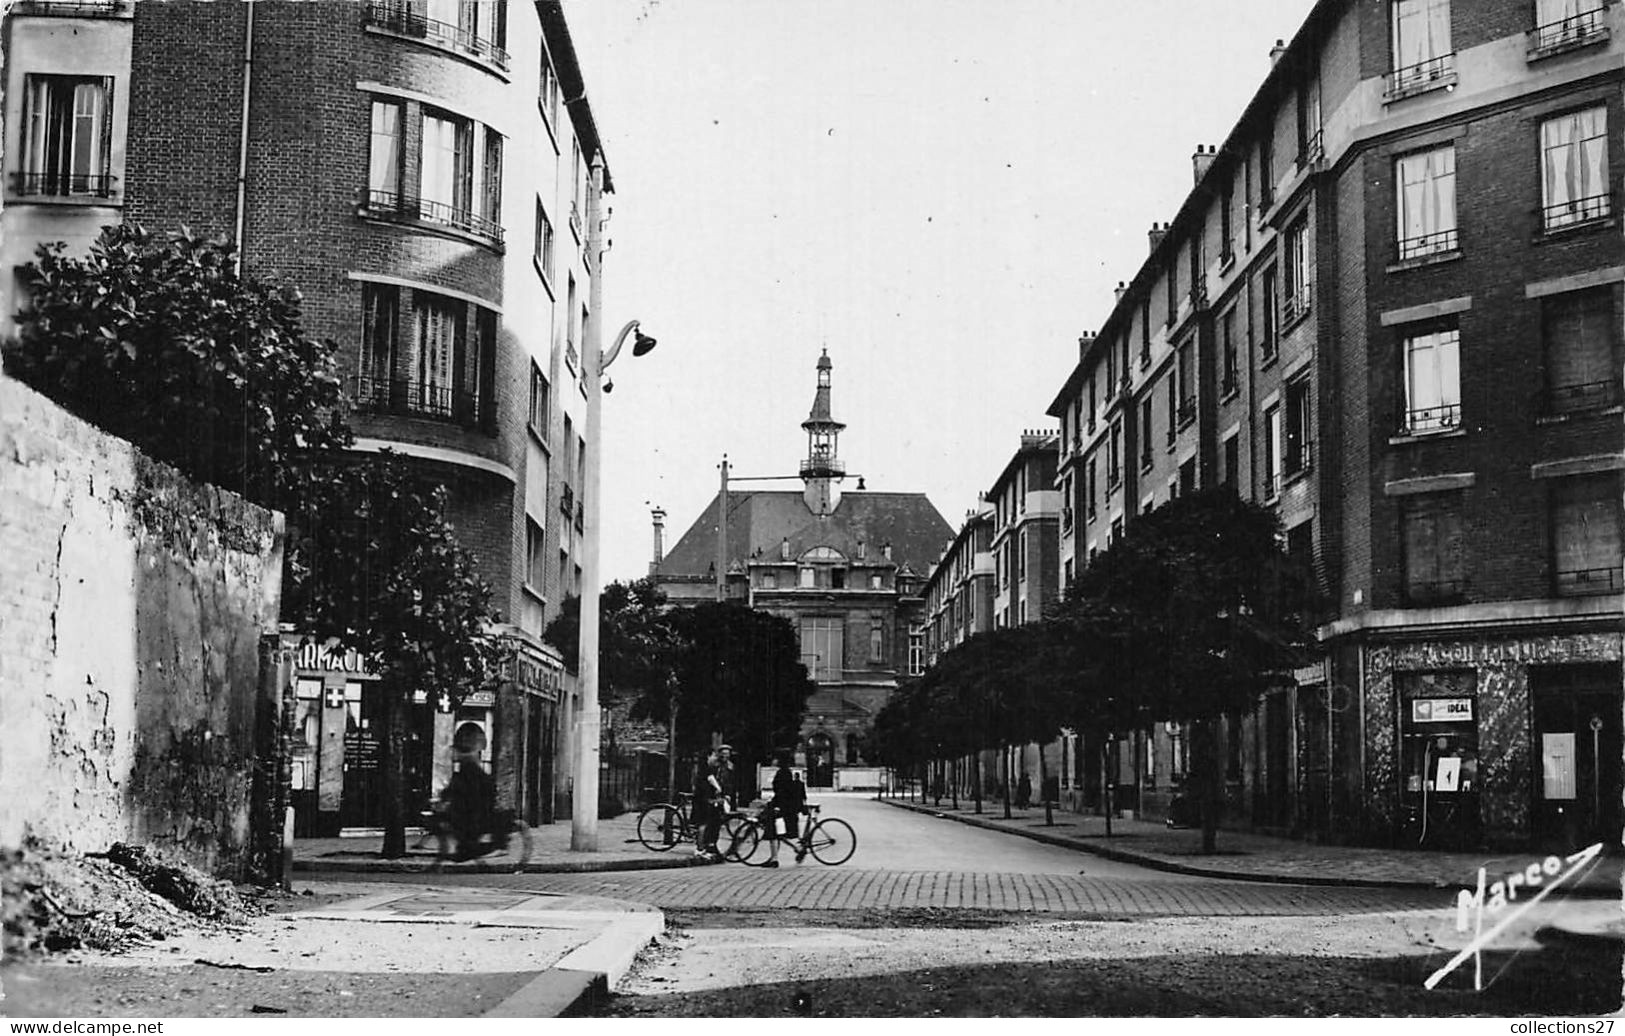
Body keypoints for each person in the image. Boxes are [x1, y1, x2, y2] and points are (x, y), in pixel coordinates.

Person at [442, 725, 496, 861]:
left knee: (462, 821)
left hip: (473, 805)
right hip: (473, 802)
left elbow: (460, 785)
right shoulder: (468, 764)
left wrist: (447, 795)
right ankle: (467, 847)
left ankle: (469, 848)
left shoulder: (468, 766)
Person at [759, 754, 808, 868]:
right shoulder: (787, 772)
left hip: (781, 807)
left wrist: (776, 805)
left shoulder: (782, 773)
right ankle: (795, 849)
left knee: (773, 832)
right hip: (786, 807)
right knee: (779, 833)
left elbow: (781, 791)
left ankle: (774, 859)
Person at [690, 749, 725, 859]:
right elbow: (711, 779)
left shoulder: (704, 767)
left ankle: (702, 847)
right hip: (702, 798)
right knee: (703, 823)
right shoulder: (705, 768)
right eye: (714, 755)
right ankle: (699, 849)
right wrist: (718, 788)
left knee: (704, 823)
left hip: (703, 797)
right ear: (708, 756)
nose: (715, 757)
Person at [715, 743, 738, 812]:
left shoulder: (731, 766)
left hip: (727, 791)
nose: (724, 756)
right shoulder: (715, 764)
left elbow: (732, 781)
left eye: (727, 754)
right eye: (723, 753)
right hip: (716, 790)